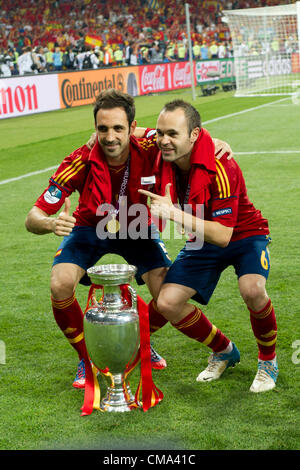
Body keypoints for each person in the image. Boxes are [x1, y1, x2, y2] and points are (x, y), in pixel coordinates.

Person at [25, 89, 232, 391]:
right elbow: (32, 217)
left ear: (132, 128)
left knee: (165, 295)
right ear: (94, 129)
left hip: (137, 224)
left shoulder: (150, 144)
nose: (110, 136)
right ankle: (88, 357)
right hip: (90, 227)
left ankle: (138, 343)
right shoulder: (80, 159)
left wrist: (209, 142)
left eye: (118, 128)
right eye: (102, 128)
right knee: (60, 283)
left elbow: (180, 135)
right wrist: (49, 222)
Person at [139, 99, 278, 393]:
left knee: (252, 290)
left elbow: (224, 235)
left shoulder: (222, 164)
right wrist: (94, 138)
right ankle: (224, 350)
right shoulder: (162, 143)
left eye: (172, 134)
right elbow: (133, 132)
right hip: (201, 234)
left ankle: (268, 360)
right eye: (161, 133)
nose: (163, 140)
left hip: (243, 233)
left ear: (194, 135)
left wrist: (173, 213)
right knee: (166, 302)